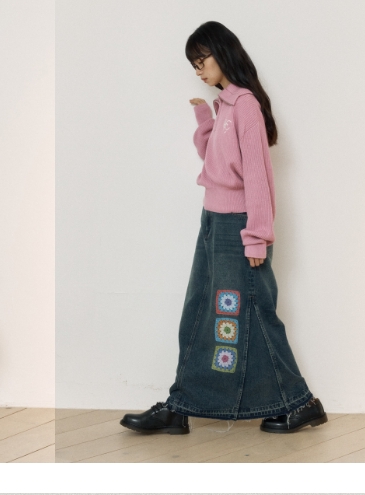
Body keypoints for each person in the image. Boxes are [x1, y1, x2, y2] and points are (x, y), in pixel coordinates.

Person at [122, 24, 325, 444]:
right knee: (199, 312)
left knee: (251, 313)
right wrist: (205, 119)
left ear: (223, 54)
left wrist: (257, 235)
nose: (198, 70)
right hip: (213, 221)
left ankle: (300, 402)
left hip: (238, 227)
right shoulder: (226, 106)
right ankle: (181, 407)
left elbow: (257, 175)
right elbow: (214, 160)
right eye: (193, 64)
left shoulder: (245, 105)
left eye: (202, 60)